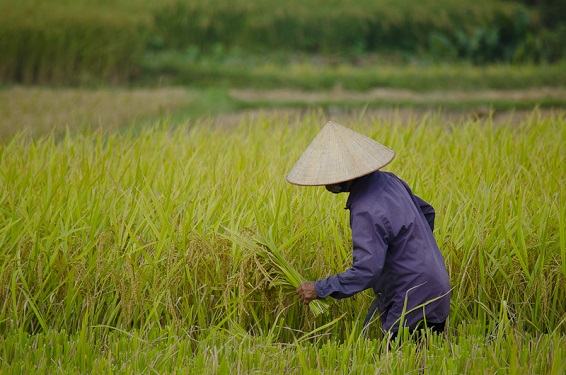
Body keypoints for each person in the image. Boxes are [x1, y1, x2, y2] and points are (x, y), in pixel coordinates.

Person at [287, 121, 451, 339]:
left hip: (410, 298)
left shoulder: (365, 209)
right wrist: (411, 253)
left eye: (328, 178)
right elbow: (427, 212)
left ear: (347, 174)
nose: (325, 186)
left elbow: (366, 271)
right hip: (436, 285)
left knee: (399, 361)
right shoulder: (389, 180)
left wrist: (319, 288)